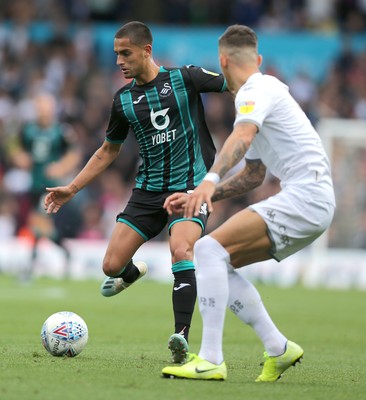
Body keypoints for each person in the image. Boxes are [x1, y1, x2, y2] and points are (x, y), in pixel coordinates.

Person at [44, 21, 227, 363]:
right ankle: (132, 273)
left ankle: (181, 336)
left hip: (190, 186)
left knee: (181, 249)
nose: (119, 61)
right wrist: (72, 187)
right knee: (111, 265)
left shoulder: (185, 78)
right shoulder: (124, 100)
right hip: (147, 192)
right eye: (116, 54)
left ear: (146, 50)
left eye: (125, 53)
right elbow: (107, 151)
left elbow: (234, 85)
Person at [161, 24, 336, 381]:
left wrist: (208, 181)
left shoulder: (255, 91)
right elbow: (253, 176)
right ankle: (279, 348)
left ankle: (210, 358)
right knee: (218, 264)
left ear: (222, 60)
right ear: (257, 58)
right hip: (312, 199)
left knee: (207, 250)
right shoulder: (265, 94)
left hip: (306, 195)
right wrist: (201, 195)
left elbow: (241, 137)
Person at [12, 92, 81, 280]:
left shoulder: (61, 130)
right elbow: (15, 147)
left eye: (45, 106)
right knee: (43, 228)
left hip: (51, 187)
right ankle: (65, 251)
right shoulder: (28, 130)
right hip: (34, 184)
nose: (42, 110)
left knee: (37, 224)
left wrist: (61, 167)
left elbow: (74, 153)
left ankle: (29, 268)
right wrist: (20, 158)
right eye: (39, 106)